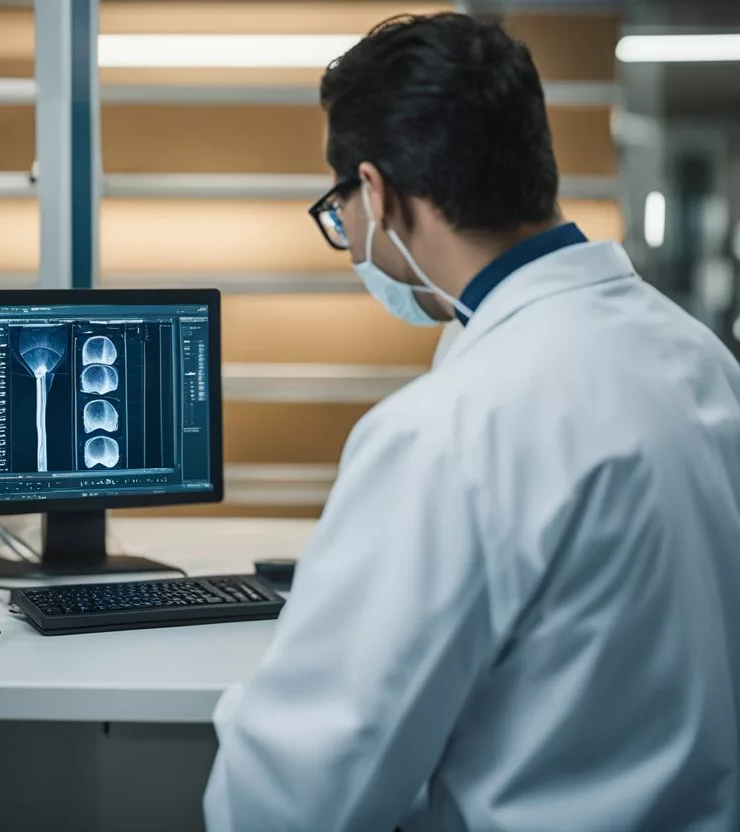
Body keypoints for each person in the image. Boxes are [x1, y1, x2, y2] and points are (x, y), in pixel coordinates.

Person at [205, 13, 740, 831]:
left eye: (339, 206)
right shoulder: (701, 361)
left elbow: (286, 804)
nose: (347, 231)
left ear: (376, 195)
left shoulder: (448, 432)